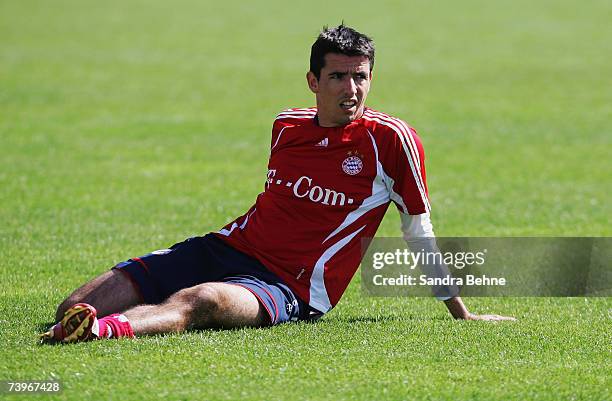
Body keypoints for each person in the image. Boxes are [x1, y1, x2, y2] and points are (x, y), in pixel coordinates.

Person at [40, 24, 514, 344]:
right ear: (313, 80)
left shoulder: (391, 141)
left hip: (291, 285)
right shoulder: (285, 126)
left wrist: (461, 312)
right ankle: (80, 321)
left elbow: (418, 231)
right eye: (338, 77)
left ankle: (103, 332)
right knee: (75, 303)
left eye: (360, 77)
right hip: (226, 247)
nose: (351, 89)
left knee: (202, 300)